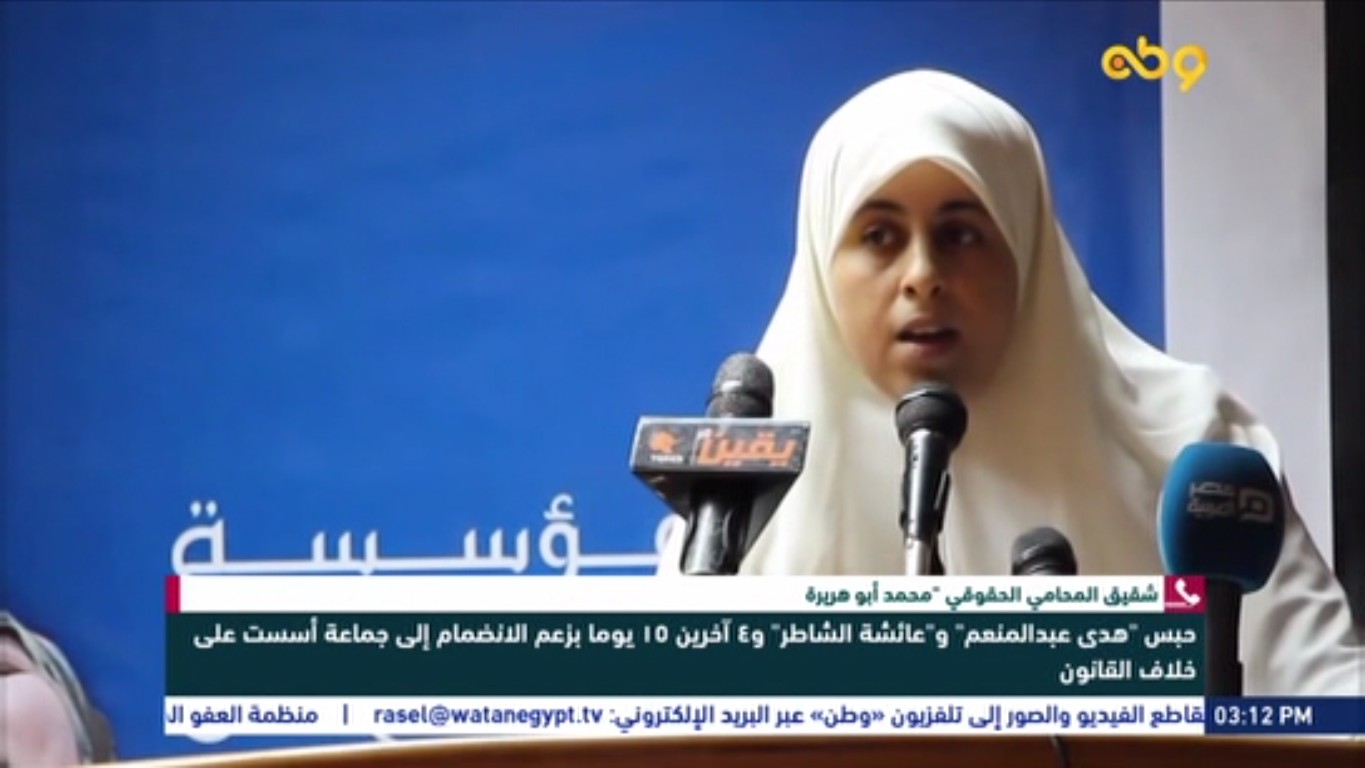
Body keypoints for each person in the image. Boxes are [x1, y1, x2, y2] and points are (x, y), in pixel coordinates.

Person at [656, 69, 1362, 697]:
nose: (922, 275)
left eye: (961, 234)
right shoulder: (736, 503)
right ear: (822, 262)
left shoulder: (1189, 447)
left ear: (1024, 245)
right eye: (879, 236)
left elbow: (1333, 700)